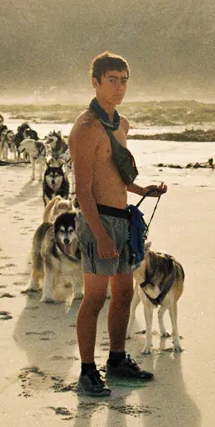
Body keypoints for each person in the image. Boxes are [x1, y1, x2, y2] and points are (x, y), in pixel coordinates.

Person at [70, 52, 167, 397]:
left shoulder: (120, 124)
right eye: (112, 79)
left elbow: (115, 176)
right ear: (95, 82)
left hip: (123, 218)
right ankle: (86, 372)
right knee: (94, 298)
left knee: (124, 293)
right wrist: (99, 234)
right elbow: (83, 190)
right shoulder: (85, 129)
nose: (119, 86)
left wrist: (144, 190)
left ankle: (116, 360)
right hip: (97, 220)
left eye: (124, 79)